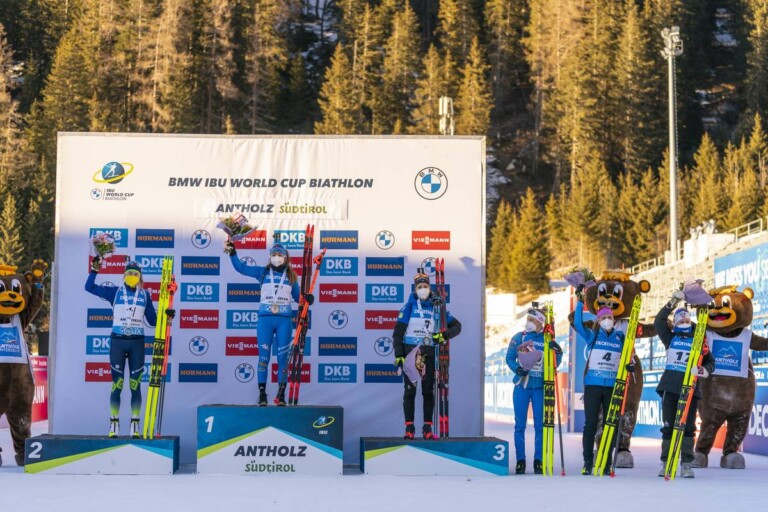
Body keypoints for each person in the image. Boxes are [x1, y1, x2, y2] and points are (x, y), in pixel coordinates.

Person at [85, 258, 174, 437]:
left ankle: (135, 424)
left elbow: (152, 321)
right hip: (118, 341)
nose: (132, 276)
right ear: (124, 276)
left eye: (135, 274)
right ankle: (114, 424)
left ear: (140, 277)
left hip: (137, 343)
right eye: (129, 273)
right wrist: (95, 270)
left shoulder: (145, 295)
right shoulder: (114, 292)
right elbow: (89, 287)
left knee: (135, 385)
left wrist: (166, 315)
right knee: (117, 384)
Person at [225, 240, 312, 406]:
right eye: (274, 254)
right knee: (263, 358)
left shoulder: (291, 276)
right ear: (270, 256)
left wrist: (307, 298)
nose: (276, 257)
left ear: (285, 258)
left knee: (282, 359)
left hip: (284, 321)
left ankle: (281, 396)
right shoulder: (262, 272)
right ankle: (262, 395)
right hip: (265, 320)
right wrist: (232, 252)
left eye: (280, 255)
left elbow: (298, 299)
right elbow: (241, 268)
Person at [392, 268, 461, 439]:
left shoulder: (437, 306)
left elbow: (457, 326)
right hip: (410, 354)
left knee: (428, 392)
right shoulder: (408, 307)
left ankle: (427, 428)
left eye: (425, 286)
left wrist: (443, 336)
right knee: (409, 392)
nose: (422, 289)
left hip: (429, 354)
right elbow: (398, 333)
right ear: (415, 289)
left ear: (430, 288)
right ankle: (409, 428)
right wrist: (399, 355)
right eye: (419, 287)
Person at [653, 291, 715, 478]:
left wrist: (704, 370)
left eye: (687, 321)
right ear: (675, 324)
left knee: (688, 427)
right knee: (668, 426)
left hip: (691, 389)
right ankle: (666, 462)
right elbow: (658, 322)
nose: (684, 323)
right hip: (670, 387)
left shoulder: (699, 341)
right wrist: (673, 301)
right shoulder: (670, 338)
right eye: (680, 321)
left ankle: (686, 463)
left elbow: (710, 362)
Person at [572, 288, 633, 475]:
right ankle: (588, 462)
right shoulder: (592, 335)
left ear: (614, 320)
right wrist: (580, 301)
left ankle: (606, 463)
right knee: (590, 425)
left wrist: (629, 365)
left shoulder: (620, 337)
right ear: (598, 321)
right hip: (593, 385)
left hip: (612, 386)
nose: (607, 320)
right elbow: (577, 323)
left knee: (610, 425)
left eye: (610, 317)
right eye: (603, 318)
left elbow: (628, 356)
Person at [505, 306, 562, 474]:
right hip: (522, 386)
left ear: (540, 322)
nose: (528, 322)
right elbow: (509, 357)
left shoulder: (547, 338)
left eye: (532, 320)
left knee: (540, 425)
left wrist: (558, 352)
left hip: (540, 387)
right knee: (520, 425)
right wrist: (517, 368)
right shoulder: (519, 336)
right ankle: (520, 460)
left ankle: (539, 460)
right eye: (528, 319)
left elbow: (555, 363)